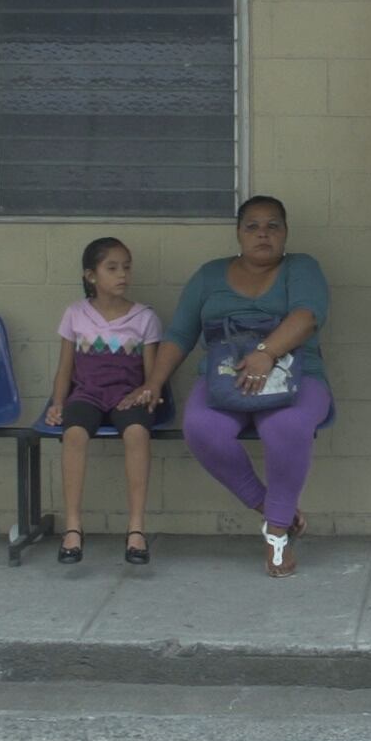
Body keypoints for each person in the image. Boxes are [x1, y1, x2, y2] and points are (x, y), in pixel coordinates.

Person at [137, 198, 333, 579]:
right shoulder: (209, 275)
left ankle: (276, 535)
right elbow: (179, 333)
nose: (263, 233)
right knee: (201, 428)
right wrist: (154, 382)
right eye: (253, 226)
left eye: (273, 226)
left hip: (296, 374)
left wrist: (266, 352)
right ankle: (274, 509)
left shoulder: (302, 267)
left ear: (286, 233)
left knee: (285, 428)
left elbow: (307, 316)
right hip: (226, 376)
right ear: (238, 233)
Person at [46, 238, 163, 566]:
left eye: (126, 267)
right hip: (88, 394)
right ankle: (72, 527)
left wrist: (142, 394)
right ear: (91, 276)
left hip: (129, 396)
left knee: (137, 433)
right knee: (74, 434)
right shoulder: (75, 314)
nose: (122, 274)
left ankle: (136, 528)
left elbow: (152, 376)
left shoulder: (145, 317)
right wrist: (58, 403)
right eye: (111, 268)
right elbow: (65, 368)